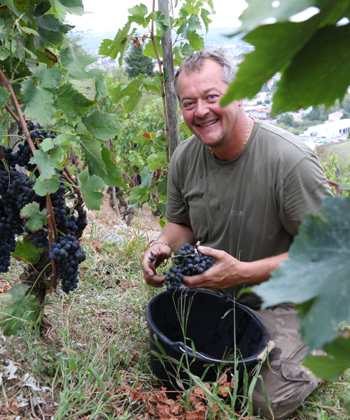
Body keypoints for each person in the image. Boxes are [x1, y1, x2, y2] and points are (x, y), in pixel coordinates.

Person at [141, 49, 332, 419]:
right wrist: (161, 245)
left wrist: (242, 273)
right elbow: (181, 224)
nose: (201, 111)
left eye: (212, 97)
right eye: (189, 103)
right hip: (220, 293)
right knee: (168, 361)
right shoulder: (185, 157)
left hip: (287, 302)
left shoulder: (289, 161)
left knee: (261, 399)